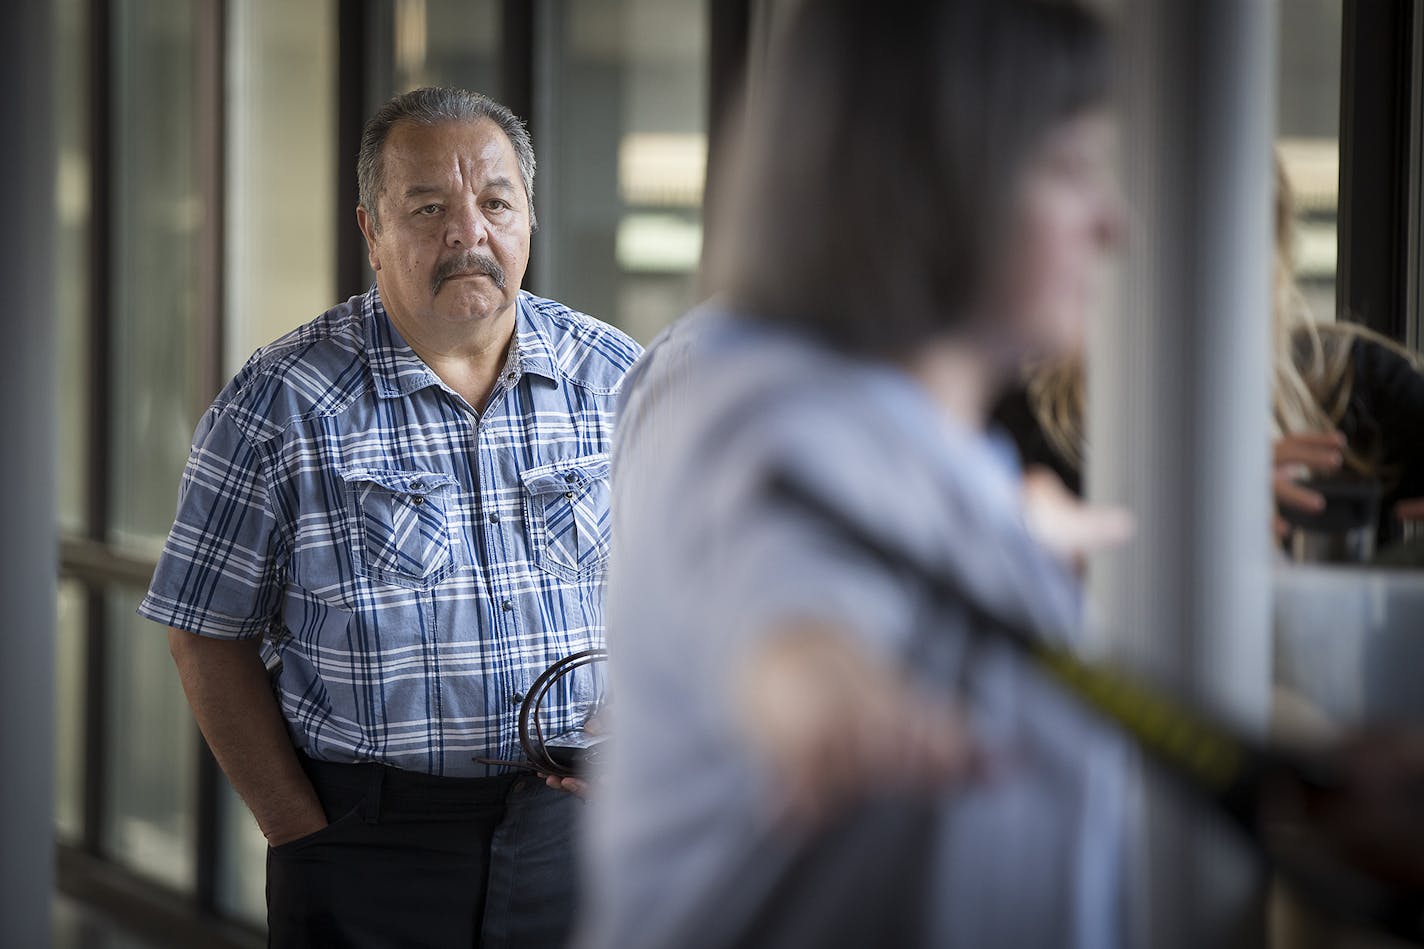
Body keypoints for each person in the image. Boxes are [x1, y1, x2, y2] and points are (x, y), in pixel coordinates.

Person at [577, 2, 1131, 947]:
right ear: (941, 181)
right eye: (1069, 169)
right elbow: (790, 595)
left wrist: (1017, 528)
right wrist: (824, 690)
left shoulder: (923, 438)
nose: (1110, 224)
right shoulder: (758, 406)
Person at [140, 87, 641, 948]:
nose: (467, 234)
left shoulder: (618, 380)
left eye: (494, 203)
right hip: (369, 848)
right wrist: (303, 831)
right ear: (371, 231)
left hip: (584, 844)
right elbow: (203, 632)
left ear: (529, 218)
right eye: (428, 208)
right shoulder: (281, 403)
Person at [995, 159, 1424, 546]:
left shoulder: (1345, 379)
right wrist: (1200, 508)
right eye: (1168, 244)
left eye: (1229, 242)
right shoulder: (1028, 421)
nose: (1198, 277)